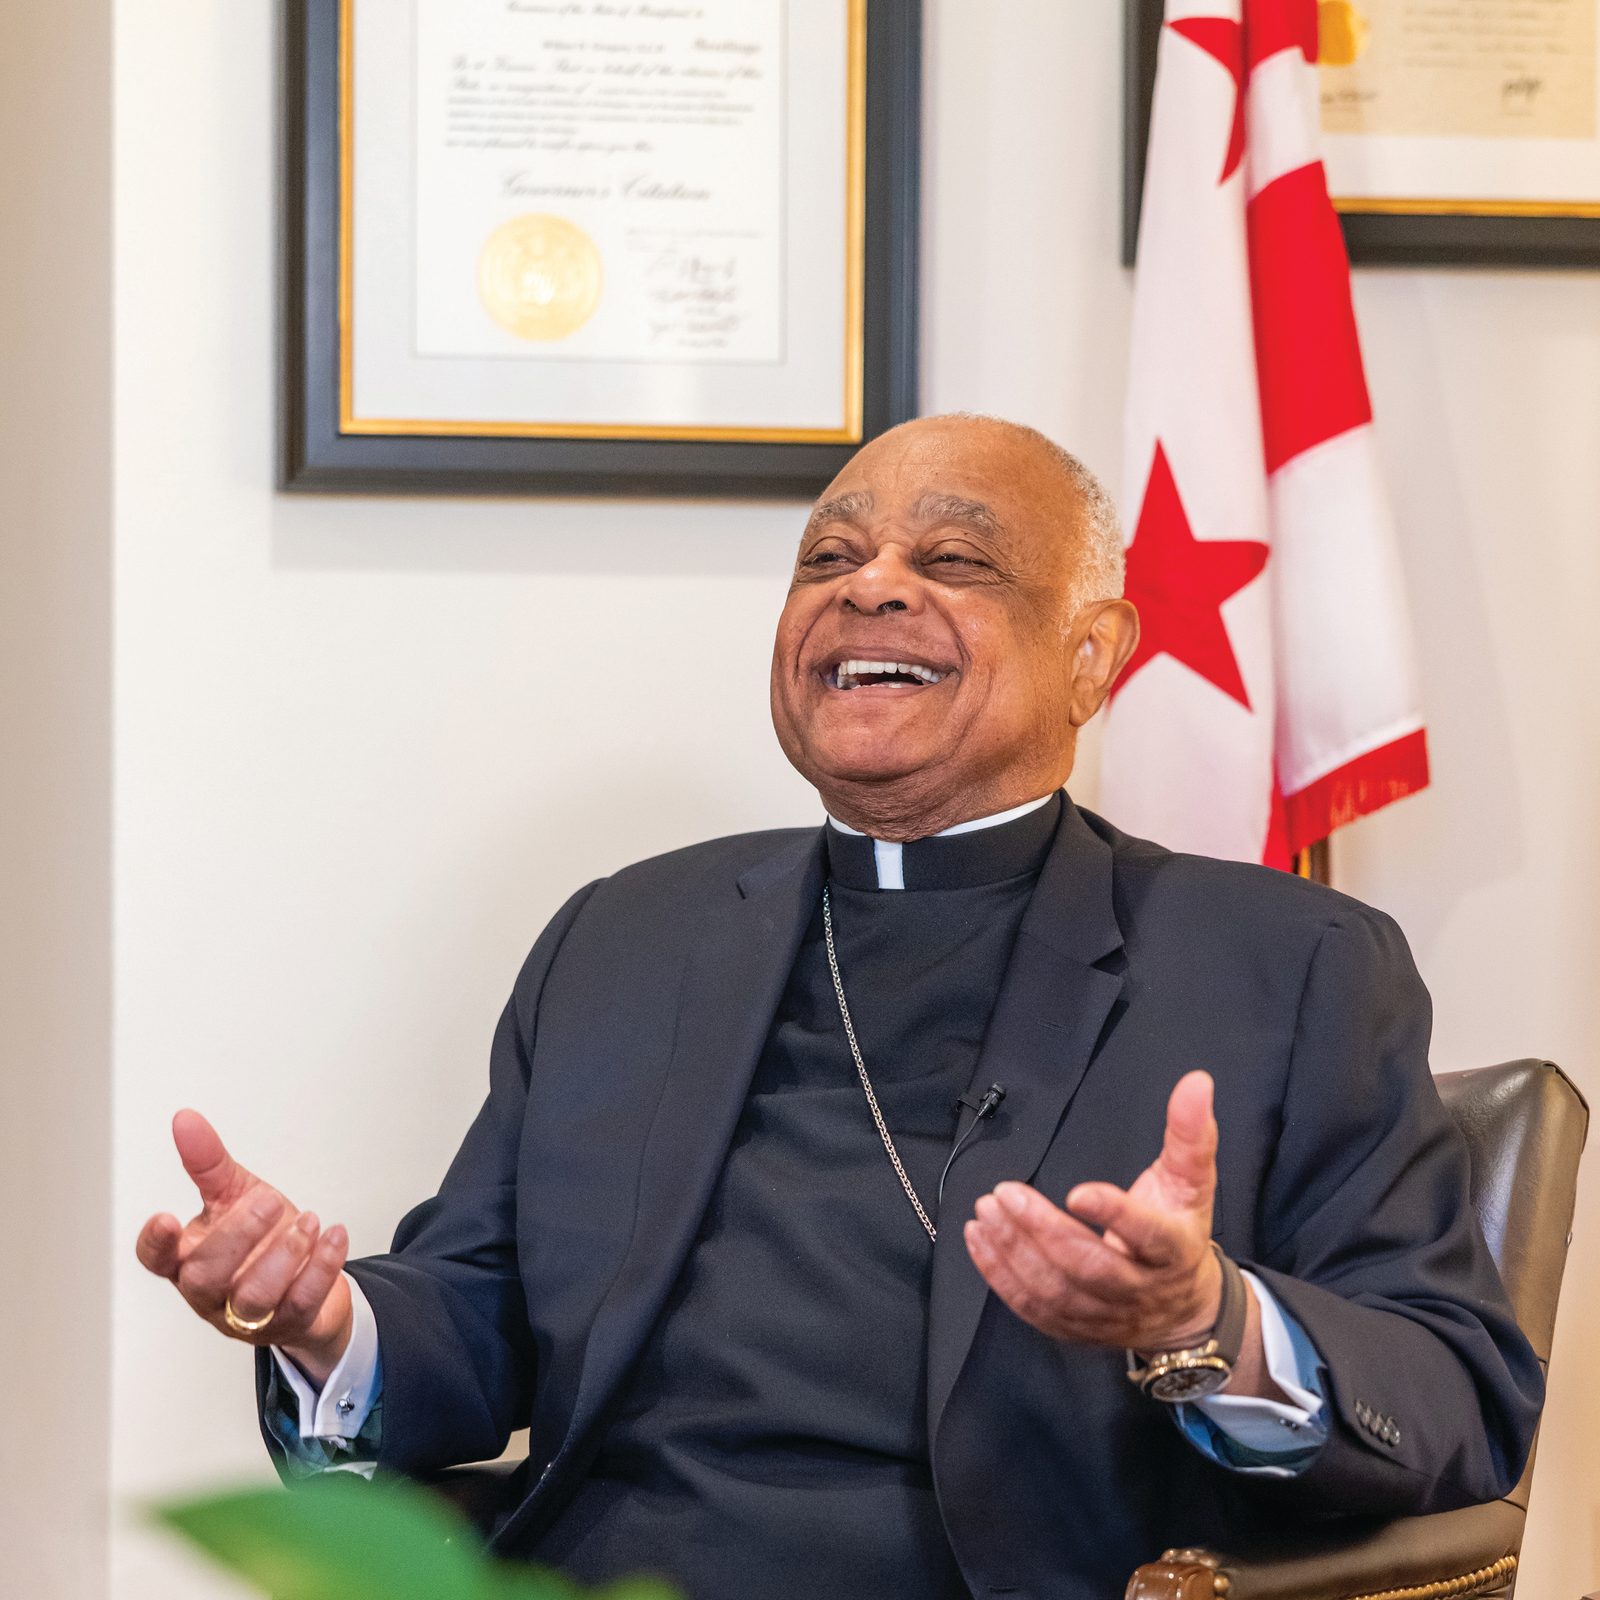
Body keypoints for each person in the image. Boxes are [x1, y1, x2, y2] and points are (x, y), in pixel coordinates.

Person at [136, 415, 1541, 1599]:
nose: (870, 588)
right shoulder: (627, 932)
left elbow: (1456, 1400)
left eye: (954, 560)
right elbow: (485, 1311)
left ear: (1095, 654)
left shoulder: (1286, 964)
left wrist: (1212, 1319)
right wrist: (323, 1321)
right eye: (829, 556)